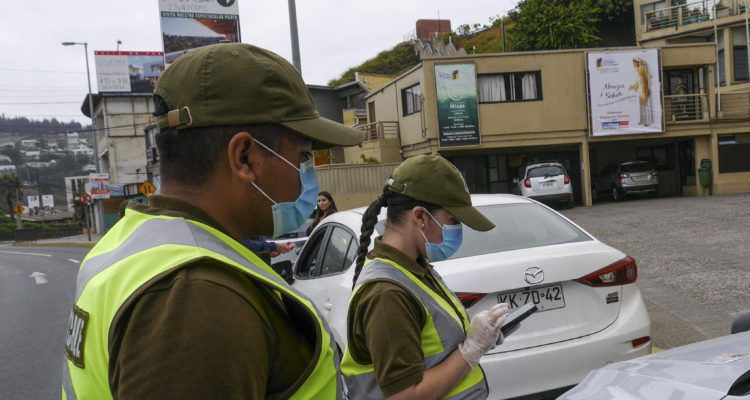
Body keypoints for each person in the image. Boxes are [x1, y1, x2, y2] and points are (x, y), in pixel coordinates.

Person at [62, 43, 363, 399]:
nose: (305, 179)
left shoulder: (133, 240)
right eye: (303, 157)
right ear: (245, 158)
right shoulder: (196, 300)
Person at [341, 155, 513, 399]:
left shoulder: (414, 268)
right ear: (420, 217)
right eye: (453, 221)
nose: (458, 230)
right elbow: (404, 395)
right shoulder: (386, 294)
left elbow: (433, 348)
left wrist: (481, 336)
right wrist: (471, 349)